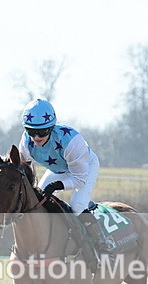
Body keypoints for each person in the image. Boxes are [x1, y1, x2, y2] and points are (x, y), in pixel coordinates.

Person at [17, 98, 114, 269]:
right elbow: (25, 167)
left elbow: (79, 178)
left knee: (77, 206)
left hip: (84, 168)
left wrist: (56, 186)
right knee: (40, 202)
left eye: (43, 131)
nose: (37, 137)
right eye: (32, 131)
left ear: (52, 126)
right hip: (59, 169)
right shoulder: (26, 142)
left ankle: (103, 245)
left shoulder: (70, 141)